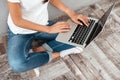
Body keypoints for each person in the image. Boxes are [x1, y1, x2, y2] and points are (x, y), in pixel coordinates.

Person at [7, 0, 89, 72]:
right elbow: (18, 21)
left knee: (82, 36)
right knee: (18, 65)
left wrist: (71, 13)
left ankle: (38, 50)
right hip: (21, 32)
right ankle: (60, 53)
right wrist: (49, 29)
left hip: (43, 25)